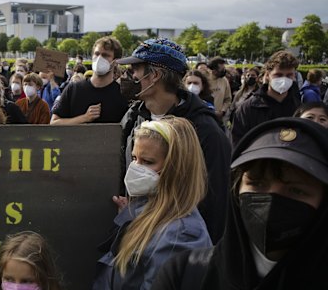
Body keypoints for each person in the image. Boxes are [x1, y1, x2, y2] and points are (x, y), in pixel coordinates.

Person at [116, 117, 328, 290]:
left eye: (296, 190)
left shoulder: (181, 237)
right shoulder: (186, 273)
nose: (271, 200)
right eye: (257, 184)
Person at [85, 117, 211, 290]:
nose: (136, 168)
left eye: (148, 162)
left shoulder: (181, 236)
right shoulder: (150, 210)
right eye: (134, 158)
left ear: (177, 169)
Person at [118, 38, 231, 244]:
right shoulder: (134, 117)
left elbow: (215, 202)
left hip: (176, 245)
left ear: (155, 76)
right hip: (135, 234)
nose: (129, 76)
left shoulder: (205, 131)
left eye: (135, 70)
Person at [51, 36, 128, 125]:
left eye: (105, 55)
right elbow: (54, 123)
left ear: (116, 61)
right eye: (97, 54)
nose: (99, 58)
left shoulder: (122, 94)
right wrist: (84, 118)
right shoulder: (73, 89)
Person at [232, 51, 301, 147]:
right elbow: (238, 144)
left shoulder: (300, 109)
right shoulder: (247, 109)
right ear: (268, 75)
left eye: (289, 75)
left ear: (294, 76)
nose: (284, 80)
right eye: (278, 75)